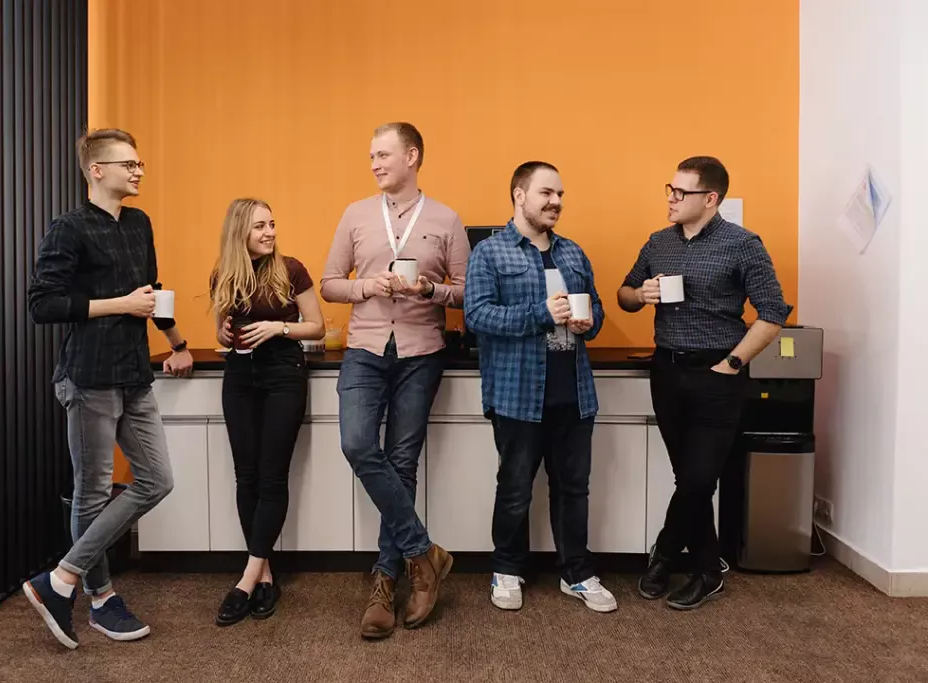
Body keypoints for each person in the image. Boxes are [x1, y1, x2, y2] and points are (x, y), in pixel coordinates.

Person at [24, 128, 194, 648]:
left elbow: (152, 291)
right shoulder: (68, 229)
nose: (139, 171)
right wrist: (120, 304)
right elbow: (43, 304)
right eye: (129, 164)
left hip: (134, 374)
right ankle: (100, 599)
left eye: (140, 163)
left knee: (157, 480)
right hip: (88, 377)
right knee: (92, 491)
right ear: (96, 170)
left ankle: (60, 579)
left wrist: (178, 341)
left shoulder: (139, 223)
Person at [617, 156, 789, 610]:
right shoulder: (658, 243)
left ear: (710, 199)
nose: (670, 198)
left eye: (681, 192)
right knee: (687, 478)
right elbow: (624, 294)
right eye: (669, 189)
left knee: (697, 479)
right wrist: (641, 294)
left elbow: (774, 312)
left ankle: (681, 558)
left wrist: (733, 363)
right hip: (667, 371)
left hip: (719, 375)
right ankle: (698, 564)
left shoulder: (743, 244)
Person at [320, 122, 469, 639]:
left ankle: (385, 580)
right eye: (371, 157)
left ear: (412, 155)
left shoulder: (447, 219)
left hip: (421, 353)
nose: (375, 164)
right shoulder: (355, 215)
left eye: (383, 154)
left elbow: (467, 293)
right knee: (359, 445)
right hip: (364, 349)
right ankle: (423, 553)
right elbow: (330, 283)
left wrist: (431, 289)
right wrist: (367, 285)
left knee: (402, 464)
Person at [464, 161, 617, 613]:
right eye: (546, 193)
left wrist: (589, 322)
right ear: (519, 195)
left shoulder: (573, 253)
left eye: (561, 195)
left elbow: (599, 311)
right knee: (514, 488)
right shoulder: (490, 253)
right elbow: (477, 317)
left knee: (574, 489)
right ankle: (506, 569)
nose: (556, 202)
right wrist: (539, 313)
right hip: (516, 394)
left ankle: (578, 573)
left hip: (574, 392)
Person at [209, 198, 325, 626]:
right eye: (260, 226)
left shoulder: (291, 269)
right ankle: (265, 573)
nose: (270, 232)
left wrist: (279, 327)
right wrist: (221, 330)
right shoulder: (224, 272)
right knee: (247, 476)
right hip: (239, 376)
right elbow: (221, 328)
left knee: (272, 476)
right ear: (240, 231)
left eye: (272, 224)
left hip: (282, 374)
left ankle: (245, 578)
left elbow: (318, 325)